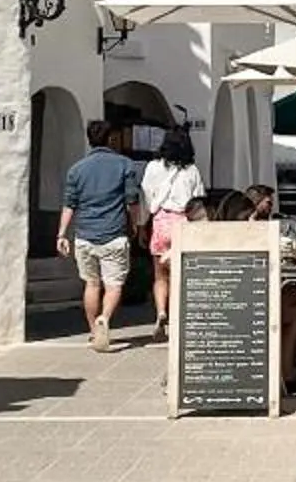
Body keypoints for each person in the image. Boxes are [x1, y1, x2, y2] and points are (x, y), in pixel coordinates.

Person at [57, 121, 149, 352]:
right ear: (111, 139)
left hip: (85, 235)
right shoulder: (124, 165)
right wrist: (136, 225)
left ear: (89, 139)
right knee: (114, 285)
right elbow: (131, 200)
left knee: (91, 283)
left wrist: (61, 234)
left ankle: (92, 330)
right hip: (114, 233)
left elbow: (69, 204)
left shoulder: (77, 169)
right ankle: (104, 319)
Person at [141, 129, 205, 334]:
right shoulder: (192, 170)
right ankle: (177, 316)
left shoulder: (153, 167)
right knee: (180, 275)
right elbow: (198, 198)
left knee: (160, 276)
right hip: (183, 223)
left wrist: (143, 224)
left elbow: (146, 195)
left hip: (160, 221)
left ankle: (161, 312)